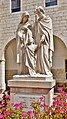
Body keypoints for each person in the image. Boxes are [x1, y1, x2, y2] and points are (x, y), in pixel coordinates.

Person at [34, 6, 54, 75]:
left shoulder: (48, 19)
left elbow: (48, 30)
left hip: (45, 41)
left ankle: (46, 70)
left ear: (42, 11)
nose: (38, 15)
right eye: (37, 14)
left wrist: (43, 37)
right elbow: (35, 30)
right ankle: (39, 70)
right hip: (38, 39)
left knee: (45, 55)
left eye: (39, 13)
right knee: (38, 56)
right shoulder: (38, 20)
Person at [16, 11, 37, 75]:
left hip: (27, 44)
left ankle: (30, 71)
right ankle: (23, 72)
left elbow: (32, 34)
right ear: (22, 18)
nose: (26, 18)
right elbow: (17, 33)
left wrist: (27, 30)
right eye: (25, 17)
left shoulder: (29, 25)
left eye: (27, 17)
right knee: (23, 58)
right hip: (22, 44)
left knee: (29, 57)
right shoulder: (20, 25)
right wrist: (20, 35)